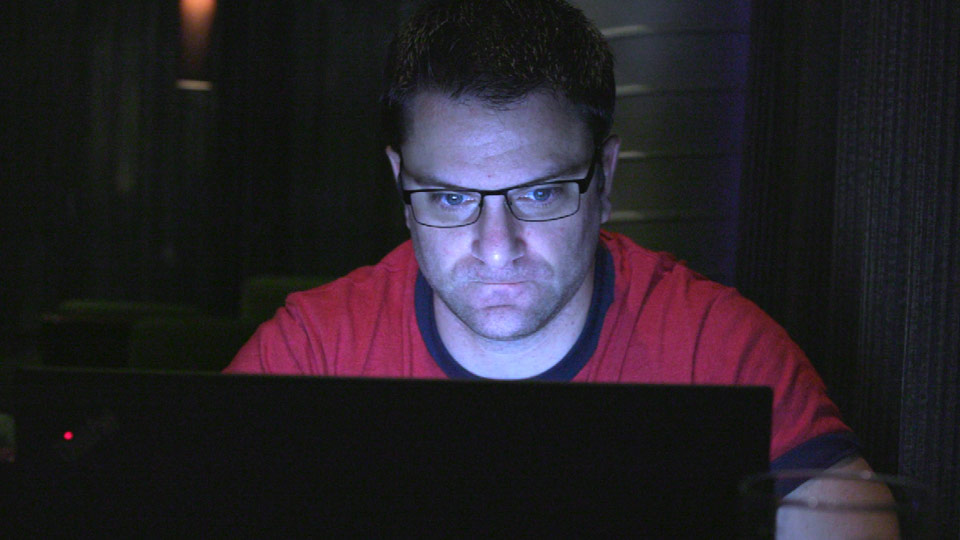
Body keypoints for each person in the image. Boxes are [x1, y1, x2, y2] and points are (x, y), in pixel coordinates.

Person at [226, 0, 895, 536]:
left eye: (540, 194)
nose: (496, 247)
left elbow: (846, 511)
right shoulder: (312, 351)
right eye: (451, 198)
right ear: (402, 184)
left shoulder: (714, 346)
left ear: (605, 178)